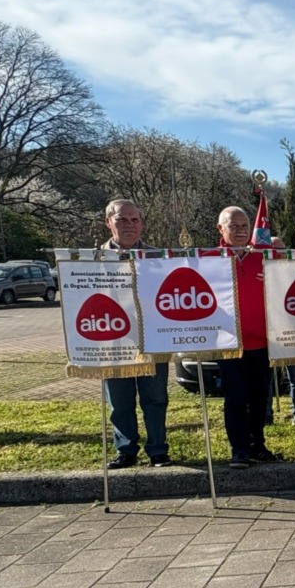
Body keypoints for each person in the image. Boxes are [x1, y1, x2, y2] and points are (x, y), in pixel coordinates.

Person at [100, 199, 172, 469]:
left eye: (135, 220)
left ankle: (158, 451)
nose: (129, 225)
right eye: (122, 219)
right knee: (119, 401)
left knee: (156, 398)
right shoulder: (91, 259)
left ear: (141, 224)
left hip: (152, 338)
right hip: (113, 339)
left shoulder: (158, 257)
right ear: (108, 222)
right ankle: (125, 451)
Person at [216, 206, 280, 469]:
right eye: (234, 226)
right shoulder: (210, 259)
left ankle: (257, 445)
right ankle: (239, 450)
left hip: (263, 343)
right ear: (221, 229)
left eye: (245, 226)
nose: (241, 231)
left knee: (259, 398)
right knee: (236, 398)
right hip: (230, 344)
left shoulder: (264, 258)